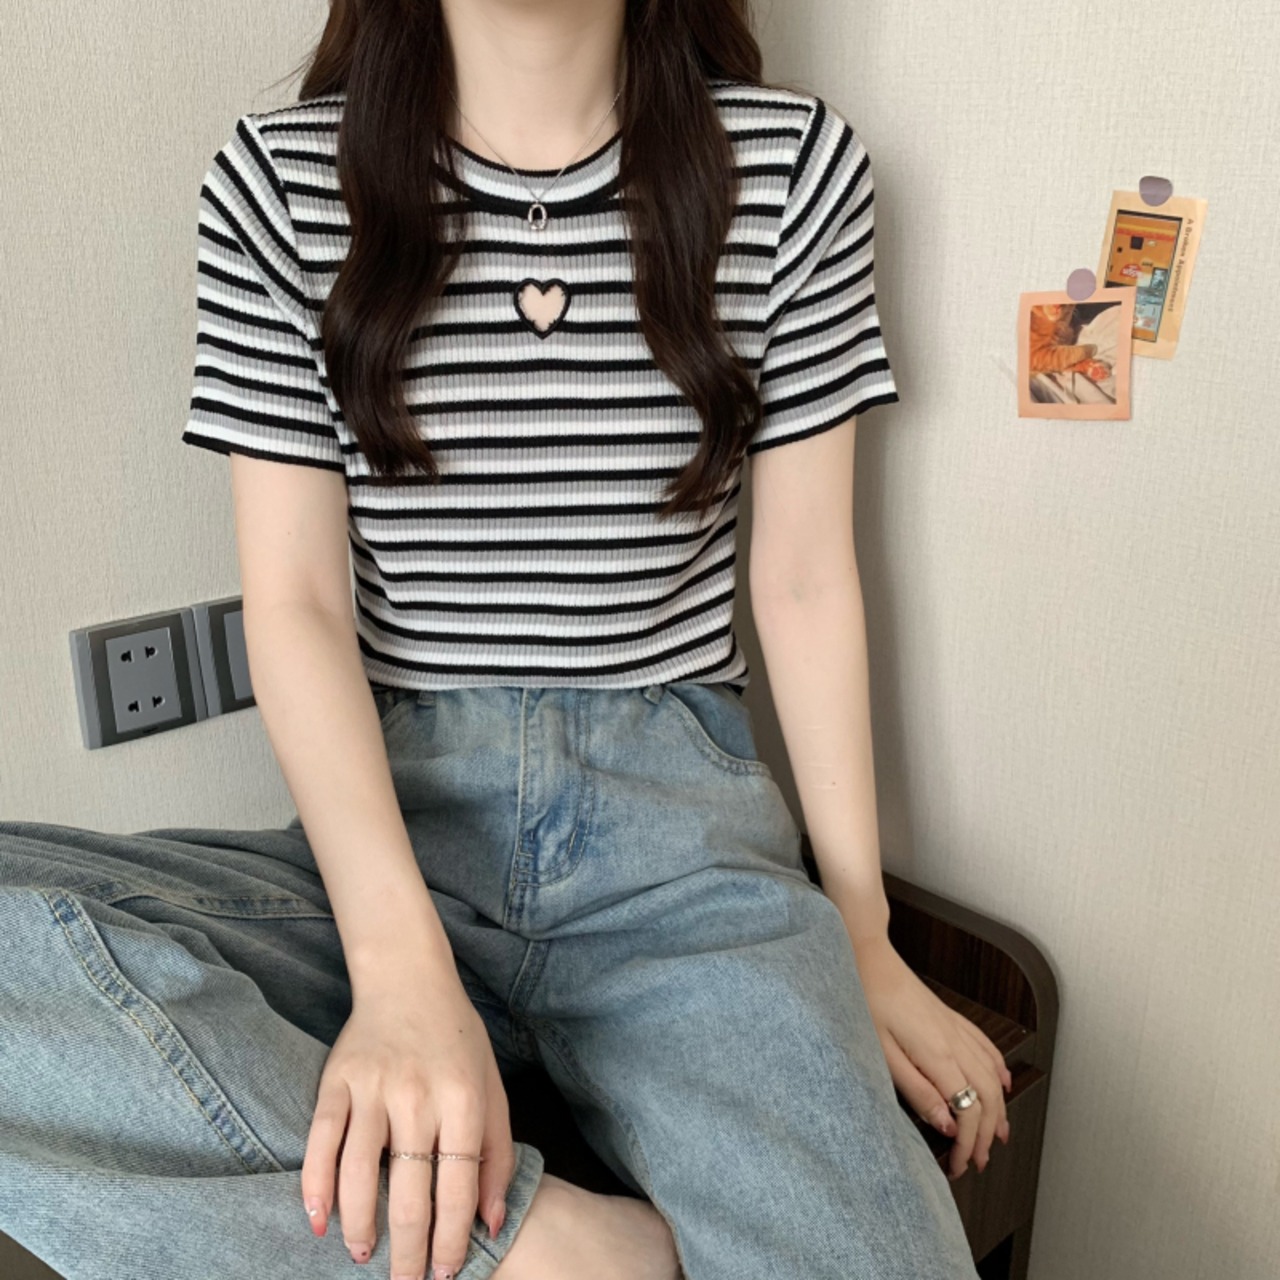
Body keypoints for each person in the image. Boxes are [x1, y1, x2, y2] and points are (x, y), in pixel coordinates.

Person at [0, 2, 1011, 1278]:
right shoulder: (280, 183)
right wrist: (395, 969)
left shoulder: (789, 168)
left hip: (682, 860)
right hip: (391, 844)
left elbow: (804, 579)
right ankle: (549, 1248)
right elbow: (297, 605)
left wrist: (860, 929)